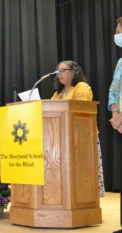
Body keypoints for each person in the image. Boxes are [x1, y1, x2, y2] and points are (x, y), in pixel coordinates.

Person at [51, 60, 105, 197]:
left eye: (62, 70)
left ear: (73, 72)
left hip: (82, 137)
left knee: (83, 175)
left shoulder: (82, 87)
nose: (59, 74)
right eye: (58, 71)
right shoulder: (59, 93)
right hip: (61, 139)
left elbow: (80, 109)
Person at [108, 16, 122, 233]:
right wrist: (115, 113)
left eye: (120, 31)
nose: (117, 35)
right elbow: (114, 90)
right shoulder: (121, 62)